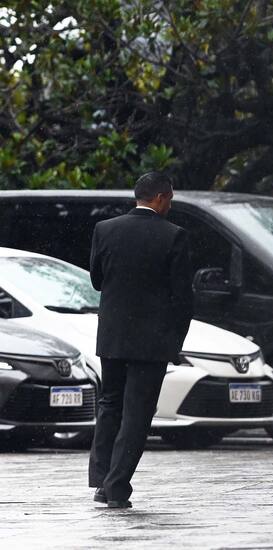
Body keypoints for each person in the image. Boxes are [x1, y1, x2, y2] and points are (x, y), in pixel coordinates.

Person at [87, 171, 193, 509]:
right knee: (137, 414)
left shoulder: (105, 230)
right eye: (170, 199)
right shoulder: (174, 236)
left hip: (113, 335)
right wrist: (175, 340)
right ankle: (117, 485)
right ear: (161, 198)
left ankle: (102, 479)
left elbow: (96, 280)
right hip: (152, 339)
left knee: (110, 405)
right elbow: (182, 298)